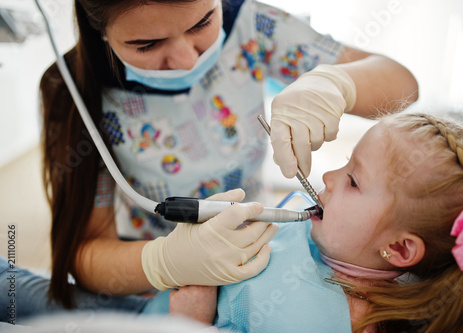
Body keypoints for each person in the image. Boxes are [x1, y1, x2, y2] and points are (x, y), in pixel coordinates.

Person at [38, 0, 418, 310]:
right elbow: (84, 254)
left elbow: (404, 84)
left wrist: (338, 83)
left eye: (203, 22)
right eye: (147, 45)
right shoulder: (72, 92)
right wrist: (164, 262)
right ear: (99, 30)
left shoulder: (252, 26)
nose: (187, 58)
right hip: (155, 287)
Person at [141, 112, 463, 333]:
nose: (328, 176)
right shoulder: (327, 234)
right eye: (346, 163)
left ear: (398, 248)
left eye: (354, 181)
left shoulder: (320, 323)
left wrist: (190, 322)